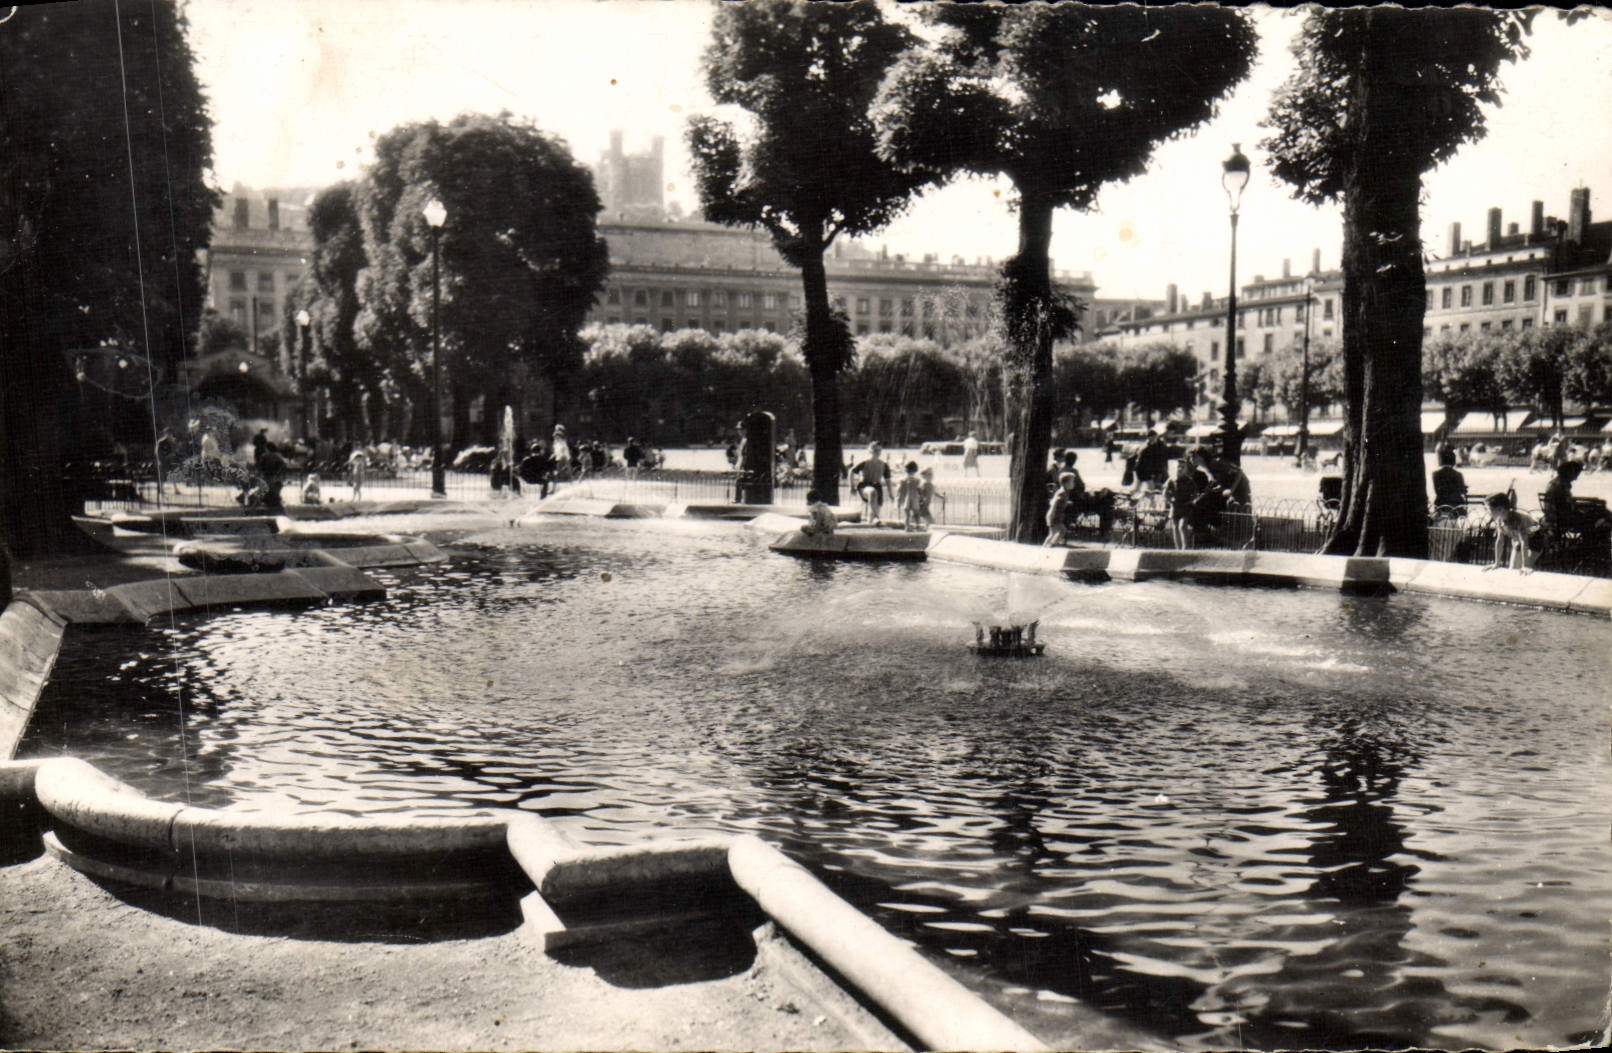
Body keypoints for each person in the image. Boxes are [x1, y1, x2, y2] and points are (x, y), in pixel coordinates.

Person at [1484, 491, 1536, 572]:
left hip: (1536, 542)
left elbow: (1524, 542)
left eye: (1489, 509)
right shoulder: (1500, 520)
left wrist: (1524, 565)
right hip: (1519, 543)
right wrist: (1496, 563)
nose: (1487, 512)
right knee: (1513, 570)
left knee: (1525, 570)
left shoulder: (1518, 519)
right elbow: (1500, 541)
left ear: (1500, 509)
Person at [1164, 454, 1199, 550]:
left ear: (1186, 469)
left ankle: (1185, 549)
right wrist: (1170, 501)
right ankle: (1178, 549)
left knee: (1182, 526)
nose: (1180, 469)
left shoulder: (1189, 481)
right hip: (1175, 506)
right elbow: (1165, 493)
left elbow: (1195, 494)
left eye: (1182, 467)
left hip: (1185, 506)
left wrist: (1191, 501)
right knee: (1175, 527)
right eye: (1178, 467)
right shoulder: (1172, 480)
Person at [851, 441, 890, 524]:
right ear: (870, 451)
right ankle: (876, 517)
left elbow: (888, 479)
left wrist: (890, 493)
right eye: (875, 450)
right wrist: (852, 487)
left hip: (877, 486)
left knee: (875, 506)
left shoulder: (884, 465)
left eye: (879, 450)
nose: (877, 453)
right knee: (872, 492)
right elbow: (851, 471)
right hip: (864, 485)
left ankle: (872, 523)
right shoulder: (864, 462)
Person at [1431, 446, 1468, 520]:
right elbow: (1461, 491)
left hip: (1441, 503)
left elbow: (1437, 490)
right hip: (1456, 504)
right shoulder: (1458, 474)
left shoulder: (1435, 474)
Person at [1043, 472, 1078, 547]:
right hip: (1054, 516)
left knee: (1053, 533)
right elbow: (1054, 502)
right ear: (1065, 483)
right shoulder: (1062, 493)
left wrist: (1066, 503)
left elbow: (1055, 501)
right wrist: (1051, 513)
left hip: (1057, 516)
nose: (1073, 483)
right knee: (1061, 531)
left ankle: (1047, 546)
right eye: (1072, 481)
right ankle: (1051, 545)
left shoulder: (1064, 492)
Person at [895, 460, 923, 531]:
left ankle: (907, 526)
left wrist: (898, 499)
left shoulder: (903, 480)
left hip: (907, 498)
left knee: (907, 514)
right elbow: (920, 490)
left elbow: (899, 490)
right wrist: (921, 497)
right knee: (916, 513)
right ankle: (917, 525)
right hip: (914, 498)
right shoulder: (917, 480)